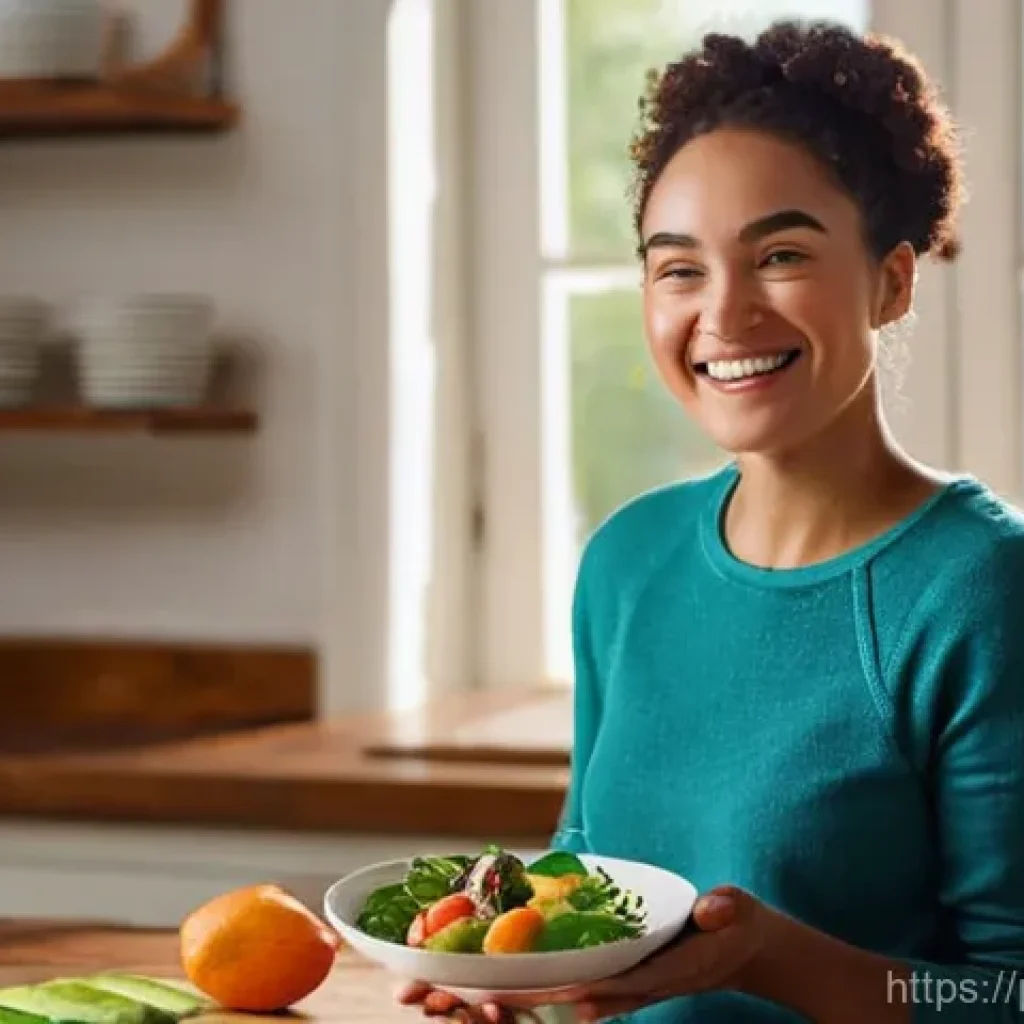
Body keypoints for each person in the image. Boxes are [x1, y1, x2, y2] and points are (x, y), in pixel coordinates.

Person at [398, 17, 1024, 1024]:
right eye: (678, 266)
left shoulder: (980, 588)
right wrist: (517, 983)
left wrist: (768, 958)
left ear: (891, 281)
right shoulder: (627, 562)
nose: (723, 315)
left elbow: (1013, 995)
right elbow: (582, 879)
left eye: (779, 252)